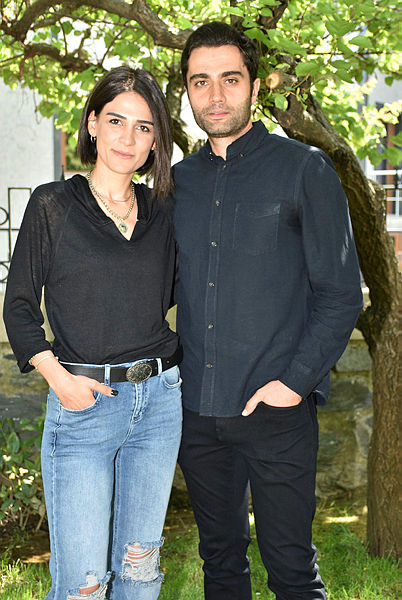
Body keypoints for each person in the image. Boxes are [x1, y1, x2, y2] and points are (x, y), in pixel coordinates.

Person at [172, 22, 363, 600]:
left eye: (230, 79)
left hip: (276, 410)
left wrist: (294, 384)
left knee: (292, 571)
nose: (215, 95)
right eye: (200, 82)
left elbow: (341, 293)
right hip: (197, 412)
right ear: (187, 91)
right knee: (220, 564)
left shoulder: (305, 170)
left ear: (256, 87)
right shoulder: (176, 184)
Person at [3, 66, 182, 600]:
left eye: (144, 127)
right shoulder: (53, 205)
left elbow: (178, 294)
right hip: (84, 405)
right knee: (83, 585)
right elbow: (18, 308)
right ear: (92, 124)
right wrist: (59, 379)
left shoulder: (163, 212)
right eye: (117, 121)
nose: (128, 137)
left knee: (140, 571)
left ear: (156, 141)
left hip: (159, 404)